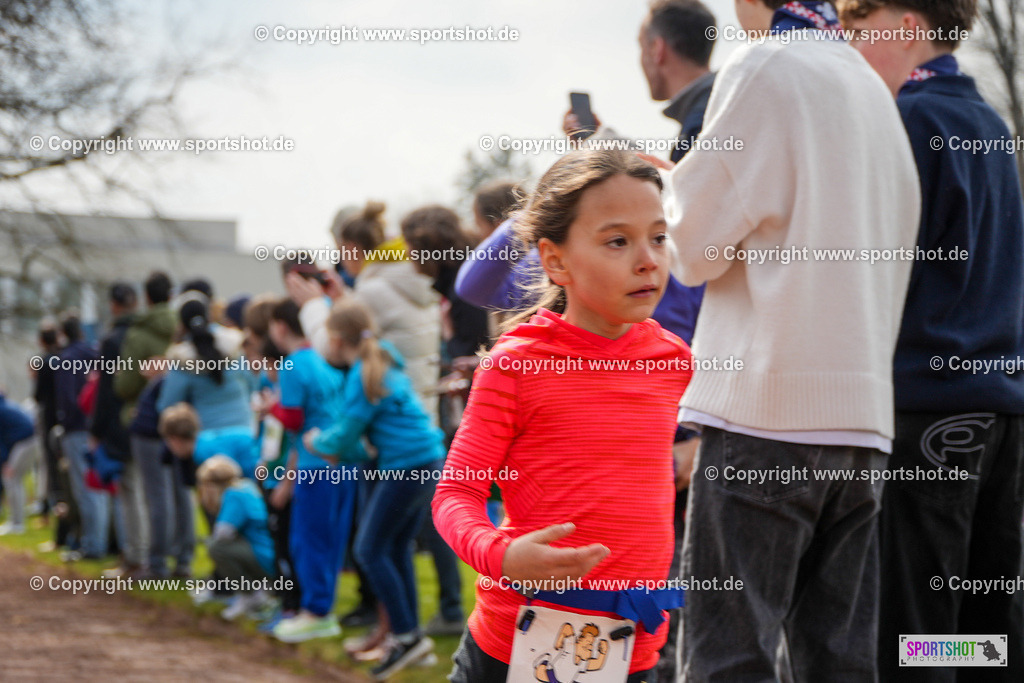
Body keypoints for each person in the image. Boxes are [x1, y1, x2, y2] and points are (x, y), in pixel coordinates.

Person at [659, 0, 921, 678]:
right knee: (839, 661)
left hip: (765, 409)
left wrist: (664, 184)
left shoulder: (765, 63)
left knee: (729, 659)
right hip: (862, 425)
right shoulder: (869, 84)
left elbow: (690, 249)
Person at [434, 149, 692, 682]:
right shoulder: (515, 364)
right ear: (555, 261)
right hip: (512, 649)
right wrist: (498, 553)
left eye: (659, 237)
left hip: (633, 651)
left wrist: (696, 443)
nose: (648, 259)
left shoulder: (676, 362)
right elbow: (455, 495)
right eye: (617, 241)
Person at [838, 1, 1024, 679]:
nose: (846, 49)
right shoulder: (989, 122)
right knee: (985, 624)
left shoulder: (907, 120)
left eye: (857, 32)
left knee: (912, 629)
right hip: (999, 411)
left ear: (907, 29)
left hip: (926, 409)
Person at [307, 299, 446, 679]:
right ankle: (412, 637)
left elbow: (345, 434)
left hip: (408, 466)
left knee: (368, 549)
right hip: (428, 460)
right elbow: (361, 436)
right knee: (396, 547)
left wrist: (317, 442)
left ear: (335, 340)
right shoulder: (384, 361)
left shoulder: (361, 374)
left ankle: (405, 636)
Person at [291, 202, 441, 422]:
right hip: (421, 411)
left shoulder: (371, 291)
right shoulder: (407, 278)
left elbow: (330, 348)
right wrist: (343, 299)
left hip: (393, 419)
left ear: (351, 247)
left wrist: (312, 304)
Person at [265, 298, 360, 643]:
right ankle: (322, 609)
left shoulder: (293, 364)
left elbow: (292, 417)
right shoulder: (321, 358)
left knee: (309, 540)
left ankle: (315, 612)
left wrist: (269, 407)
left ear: (279, 326)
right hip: (342, 461)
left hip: (315, 464)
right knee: (330, 541)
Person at [90, 282, 147, 577]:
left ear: (114, 306)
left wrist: (97, 429)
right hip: (149, 420)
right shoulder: (147, 335)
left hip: (121, 424)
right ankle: (143, 555)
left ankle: (136, 557)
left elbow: (106, 391)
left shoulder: (113, 340)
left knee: (130, 490)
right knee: (147, 492)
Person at [156, 292, 253, 432]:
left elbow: (167, 405)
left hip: (207, 435)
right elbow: (251, 383)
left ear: (181, 325)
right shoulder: (233, 346)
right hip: (245, 430)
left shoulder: (182, 359)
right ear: (209, 317)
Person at [196, 455, 276, 621]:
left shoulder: (234, 494)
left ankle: (250, 595)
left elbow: (223, 532)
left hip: (264, 558)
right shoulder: (246, 486)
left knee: (217, 548)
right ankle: (256, 592)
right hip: (269, 555)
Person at [55, 311, 108, 560]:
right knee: (100, 488)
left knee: (85, 489)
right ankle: (101, 542)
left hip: (77, 429)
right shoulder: (94, 353)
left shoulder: (67, 358)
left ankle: (92, 545)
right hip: (98, 427)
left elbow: (67, 399)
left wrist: (67, 421)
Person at [1, 391, 38, 535]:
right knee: (14, 479)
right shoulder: (5, 404)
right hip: (29, 441)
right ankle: (16, 522)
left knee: (11, 477)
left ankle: (17, 524)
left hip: (26, 442)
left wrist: (5, 461)